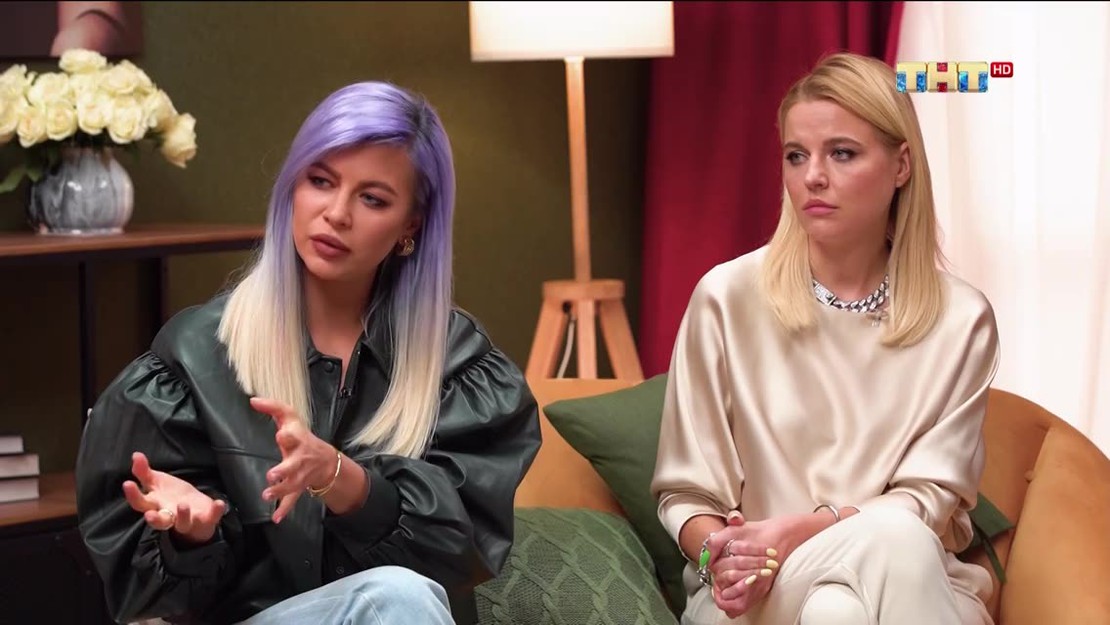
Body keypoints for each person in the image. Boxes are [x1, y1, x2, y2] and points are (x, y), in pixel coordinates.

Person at [75, 81, 542, 625]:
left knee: (397, 596)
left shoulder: (458, 363)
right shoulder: (196, 355)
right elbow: (149, 598)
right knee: (393, 598)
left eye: (373, 199)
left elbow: (458, 561)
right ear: (293, 187)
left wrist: (341, 479)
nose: (337, 213)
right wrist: (190, 535)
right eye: (320, 181)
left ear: (410, 225)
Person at [650, 51, 1001, 625]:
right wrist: (724, 556)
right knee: (889, 542)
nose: (812, 176)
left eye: (842, 153)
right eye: (796, 155)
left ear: (901, 165)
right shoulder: (726, 297)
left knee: (843, 604)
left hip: (912, 577)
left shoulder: (962, 319)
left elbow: (928, 501)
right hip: (762, 588)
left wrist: (807, 528)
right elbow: (686, 494)